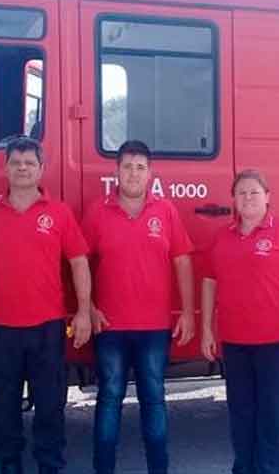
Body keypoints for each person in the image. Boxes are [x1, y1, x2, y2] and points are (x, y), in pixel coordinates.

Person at [0, 136, 92, 474]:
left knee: (50, 405)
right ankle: (9, 464)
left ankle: (49, 465)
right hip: (0, 327)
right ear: (5, 168)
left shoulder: (59, 213)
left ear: (41, 169)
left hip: (47, 327)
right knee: (3, 406)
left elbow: (78, 262)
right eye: (16, 162)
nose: (22, 168)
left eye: (29, 163)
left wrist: (82, 311)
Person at [82, 140, 194, 474]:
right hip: (110, 326)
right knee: (109, 398)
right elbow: (80, 262)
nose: (133, 173)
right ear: (116, 171)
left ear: (150, 174)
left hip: (154, 327)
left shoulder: (166, 211)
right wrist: (87, 306)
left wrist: (187, 311)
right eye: (127, 166)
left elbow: (183, 261)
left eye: (140, 167)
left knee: (154, 399)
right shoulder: (97, 211)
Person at [200, 169, 279, 474]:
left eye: (254, 192)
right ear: (234, 200)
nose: (248, 198)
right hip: (235, 343)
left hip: (276, 344)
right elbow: (209, 283)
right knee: (241, 414)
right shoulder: (222, 237)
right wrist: (205, 330)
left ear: (267, 197)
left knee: (272, 417)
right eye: (241, 193)